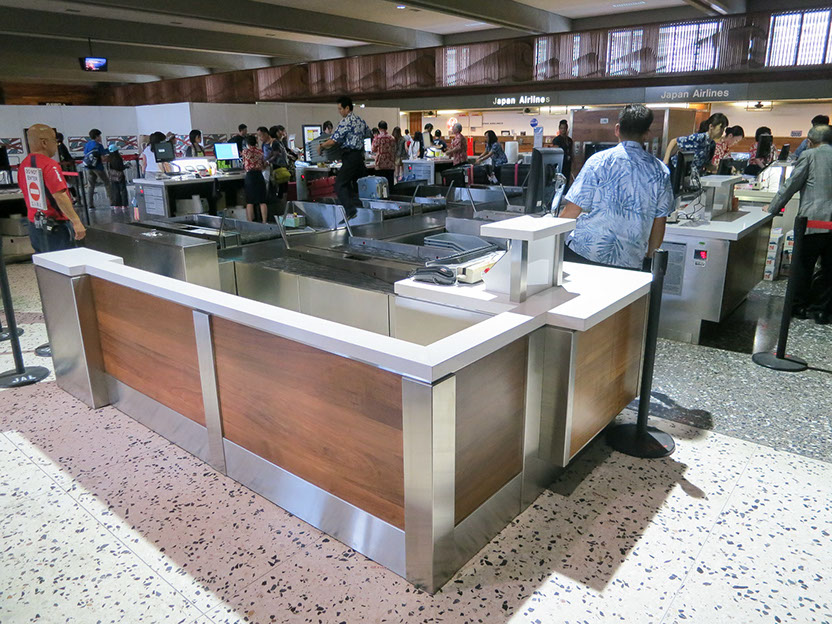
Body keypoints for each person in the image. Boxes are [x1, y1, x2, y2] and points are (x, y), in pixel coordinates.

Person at [560, 104, 673, 271]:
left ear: (617, 129)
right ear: (646, 134)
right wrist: (650, 259)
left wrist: (551, 235)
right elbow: (659, 221)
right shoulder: (660, 171)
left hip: (585, 253)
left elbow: (572, 210)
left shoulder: (598, 161)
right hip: (629, 260)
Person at [767, 125, 832, 325]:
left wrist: (772, 208)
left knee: (803, 266)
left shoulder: (809, 155)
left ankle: (799, 307)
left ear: (810, 142)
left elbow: (791, 185)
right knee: (829, 269)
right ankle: (821, 311)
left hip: (812, 223)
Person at [17, 124, 86, 252]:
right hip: (54, 227)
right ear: (44, 142)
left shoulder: (24, 165)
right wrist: (76, 221)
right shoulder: (49, 165)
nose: (56, 145)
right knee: (63, 261)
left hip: (35, 225)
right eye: (55, 141)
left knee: (43, 260)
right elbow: (60, 196)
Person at [319, 95, 371, 218]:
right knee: (349, 185)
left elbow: (333, 141)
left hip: (350, 156)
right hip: (359, 157)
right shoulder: (360, 120)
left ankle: (350, 210)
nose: (339, 111)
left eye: (340, 109)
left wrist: (321, 146)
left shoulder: (346, 122)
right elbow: (368, 134)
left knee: (339, 185)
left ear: (347, 108)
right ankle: (359, 209)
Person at [663, 112, 729, 173]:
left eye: (724, 129)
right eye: (721, 128)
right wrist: (665, 161)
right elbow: (674, 141)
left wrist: (723, 168)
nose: (722, 132)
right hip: (676, 170)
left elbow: (706, 164)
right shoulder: (699, 138)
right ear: (711, 126)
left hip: (691, 173)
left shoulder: (711, 144)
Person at [83, 128, 113, 209]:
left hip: (89, 167)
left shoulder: (87, 144)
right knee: (107, 183)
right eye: (99, 136)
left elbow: (85, 154)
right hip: (98, 167)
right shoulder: (98, 145)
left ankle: (90, 204)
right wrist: (110, 158)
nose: (100, 137)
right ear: (97, 136)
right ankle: (112, 201)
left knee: (91, 185)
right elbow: (103, 158)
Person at [242, 135, 268, 224]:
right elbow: (264, 165)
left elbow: (243, 163)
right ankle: (264, 221)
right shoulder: (260, 152)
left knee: (250, 201)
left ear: (247, 144)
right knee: (262, 201)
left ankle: (250, 222)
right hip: (259, 176)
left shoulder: (245, 151)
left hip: (250, 176)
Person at [267, 125, 290, 200]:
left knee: (283, 187)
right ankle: (282, 202)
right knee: (282, 187)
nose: (281, 133)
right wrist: (267, 161)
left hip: (281, 165)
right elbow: (275, 154)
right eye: (279, 131)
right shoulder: (275, 142)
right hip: (278, 166)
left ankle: (283, 201)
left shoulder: (279, 142)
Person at [372, 120, 397, 188]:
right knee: (390, 185)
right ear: (387, 128)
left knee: (380, 186)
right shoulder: (392, 138)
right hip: (390, 164)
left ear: (379, 128)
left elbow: (373, 149)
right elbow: (394, 149)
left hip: (380, 164)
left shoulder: (377, 138)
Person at [55, 132, 79, 202]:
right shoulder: (61, 145)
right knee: (68, 183)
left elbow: (63, 156)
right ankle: (73, 197)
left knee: (68, 183)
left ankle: (74, 197)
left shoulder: (60, 146)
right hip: (66, 165)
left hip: (66, 167)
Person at [107, 143, 129, 213]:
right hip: (120, 176)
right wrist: (126, 166)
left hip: (112, 176)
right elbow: (120, 167)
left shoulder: (109, 158)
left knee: (115, 190)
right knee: (123, 190)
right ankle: (124, 205)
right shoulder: (118, 158)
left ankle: (117, 205)